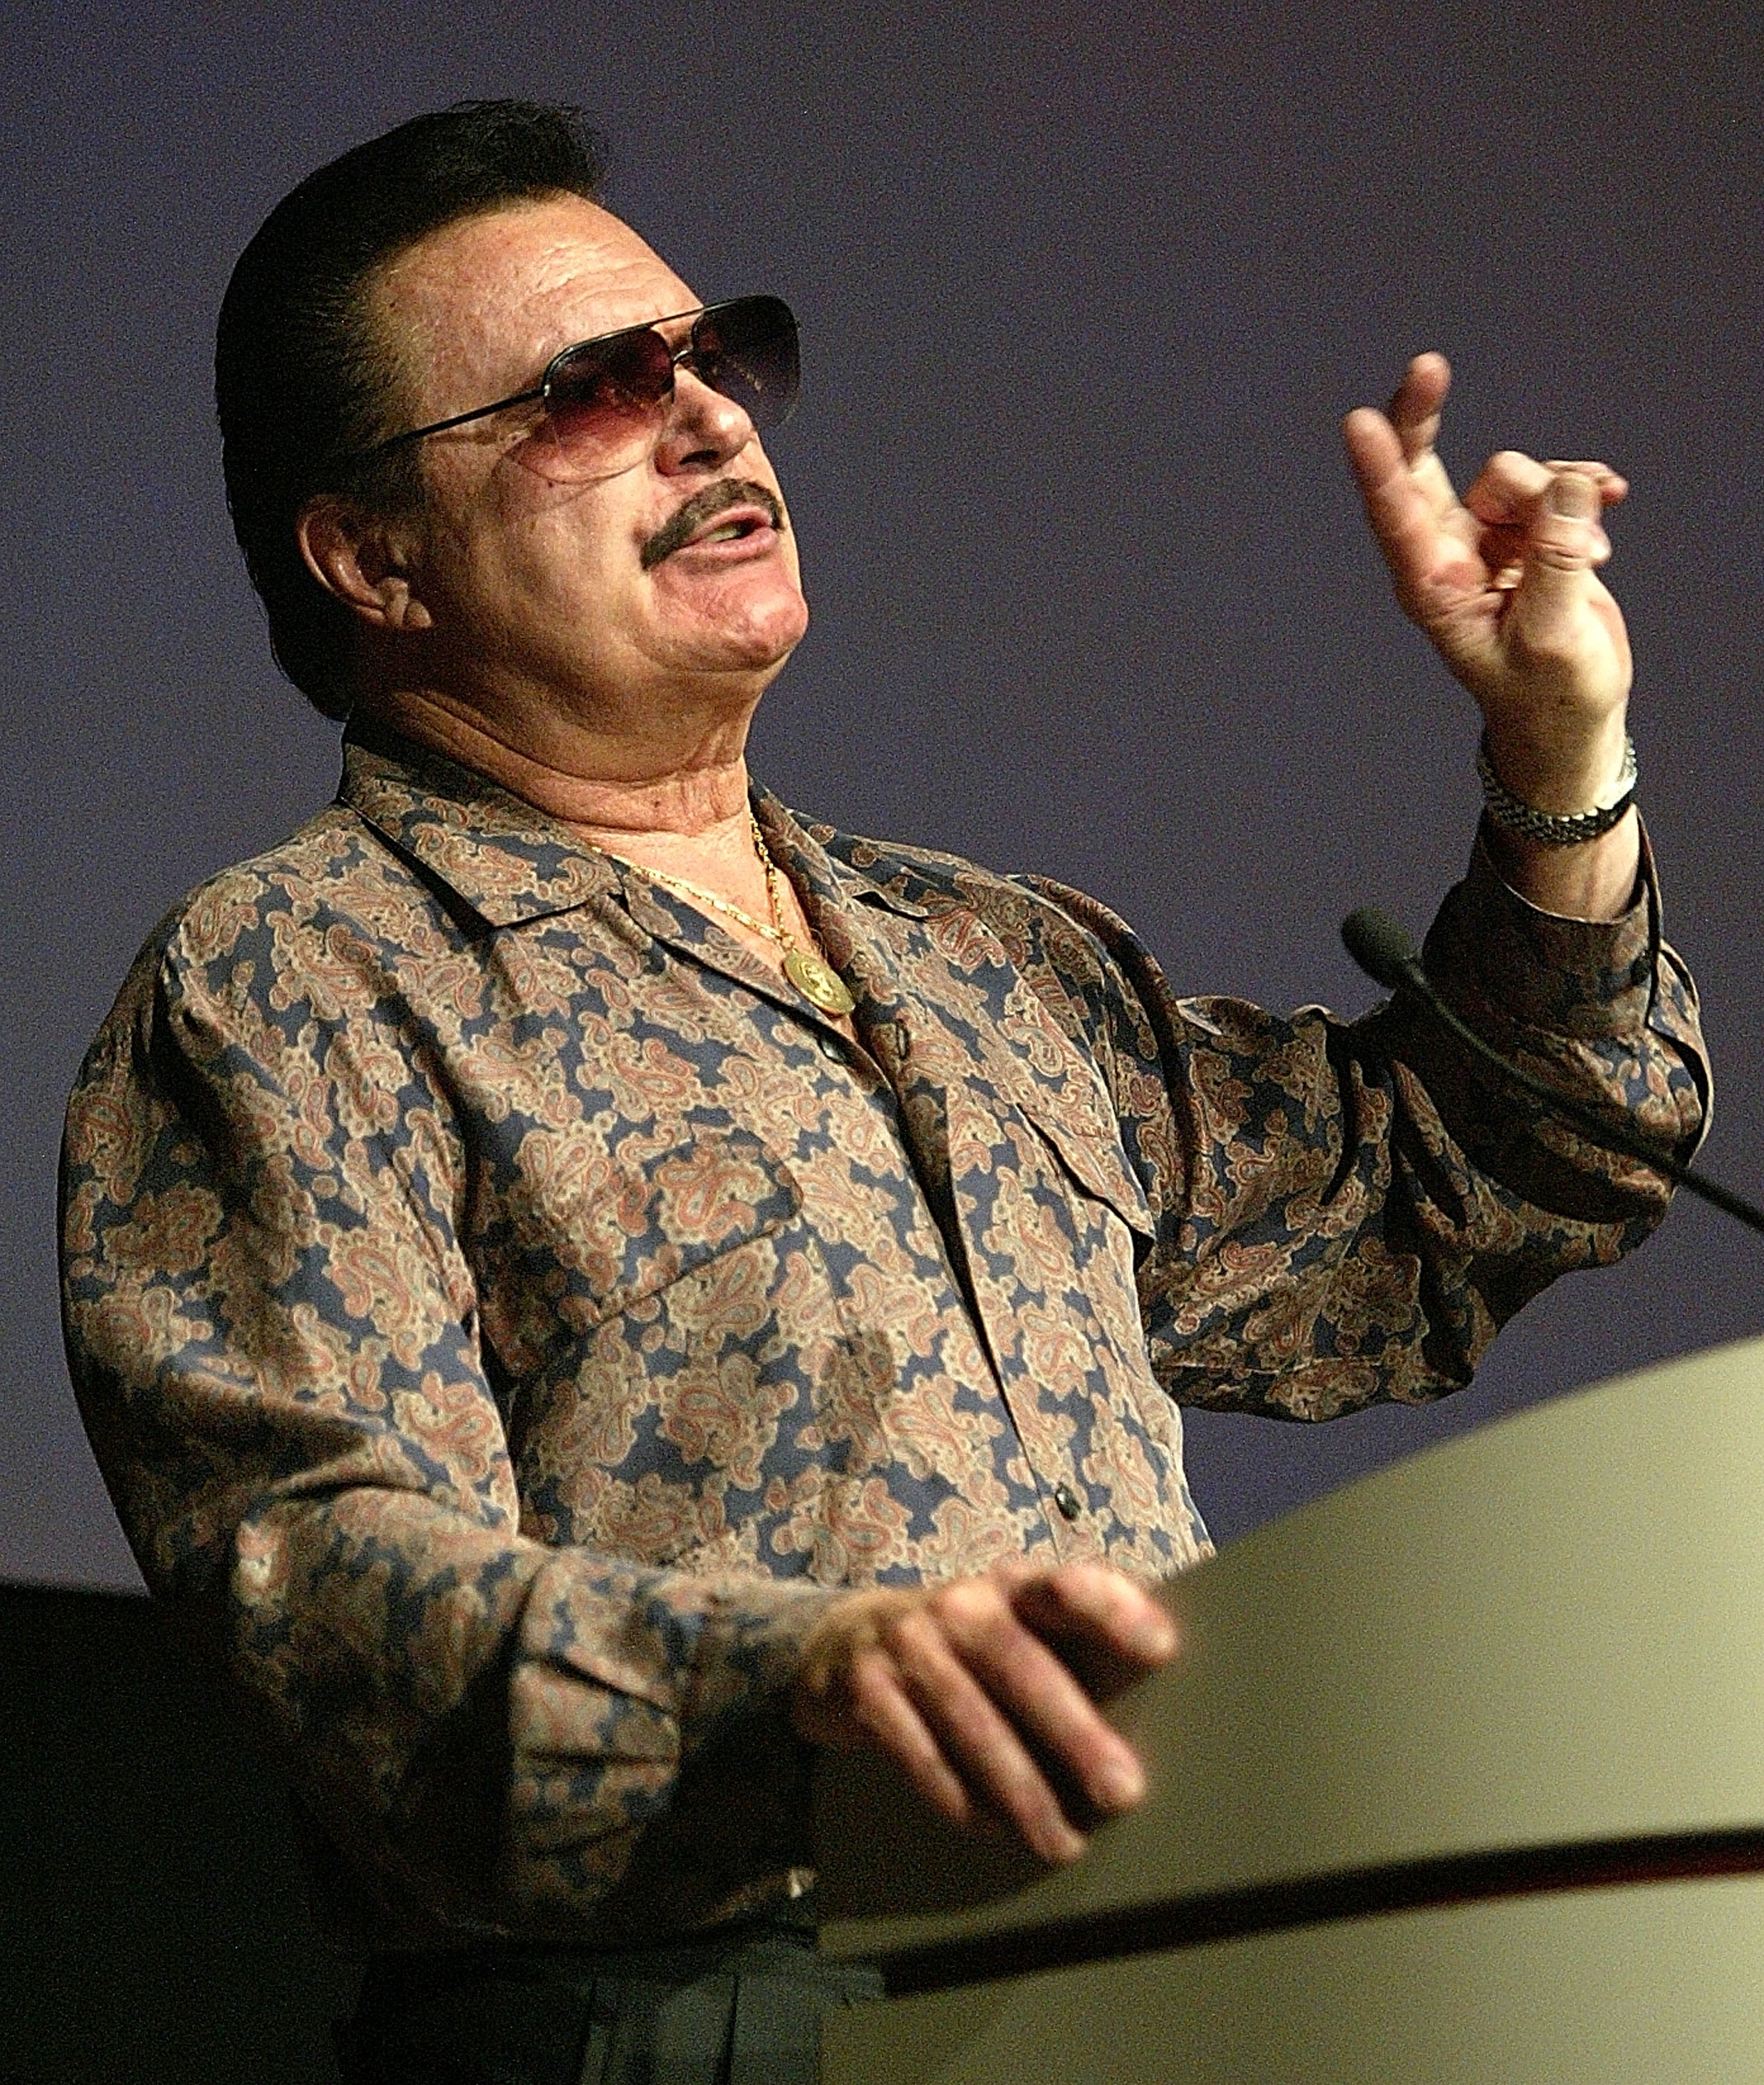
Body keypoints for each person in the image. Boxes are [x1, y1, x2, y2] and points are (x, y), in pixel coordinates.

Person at [58, 101, 1706, 2084]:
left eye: (709, 356)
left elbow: (1455, 1200)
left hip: (1143, 1993)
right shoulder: (298, 978)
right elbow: (322, 1597)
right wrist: (802, 1684)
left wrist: (1556, 752)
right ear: (371, 559)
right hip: (669, 2027)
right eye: (591, 391)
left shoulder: (981, 952)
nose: (713, 425)